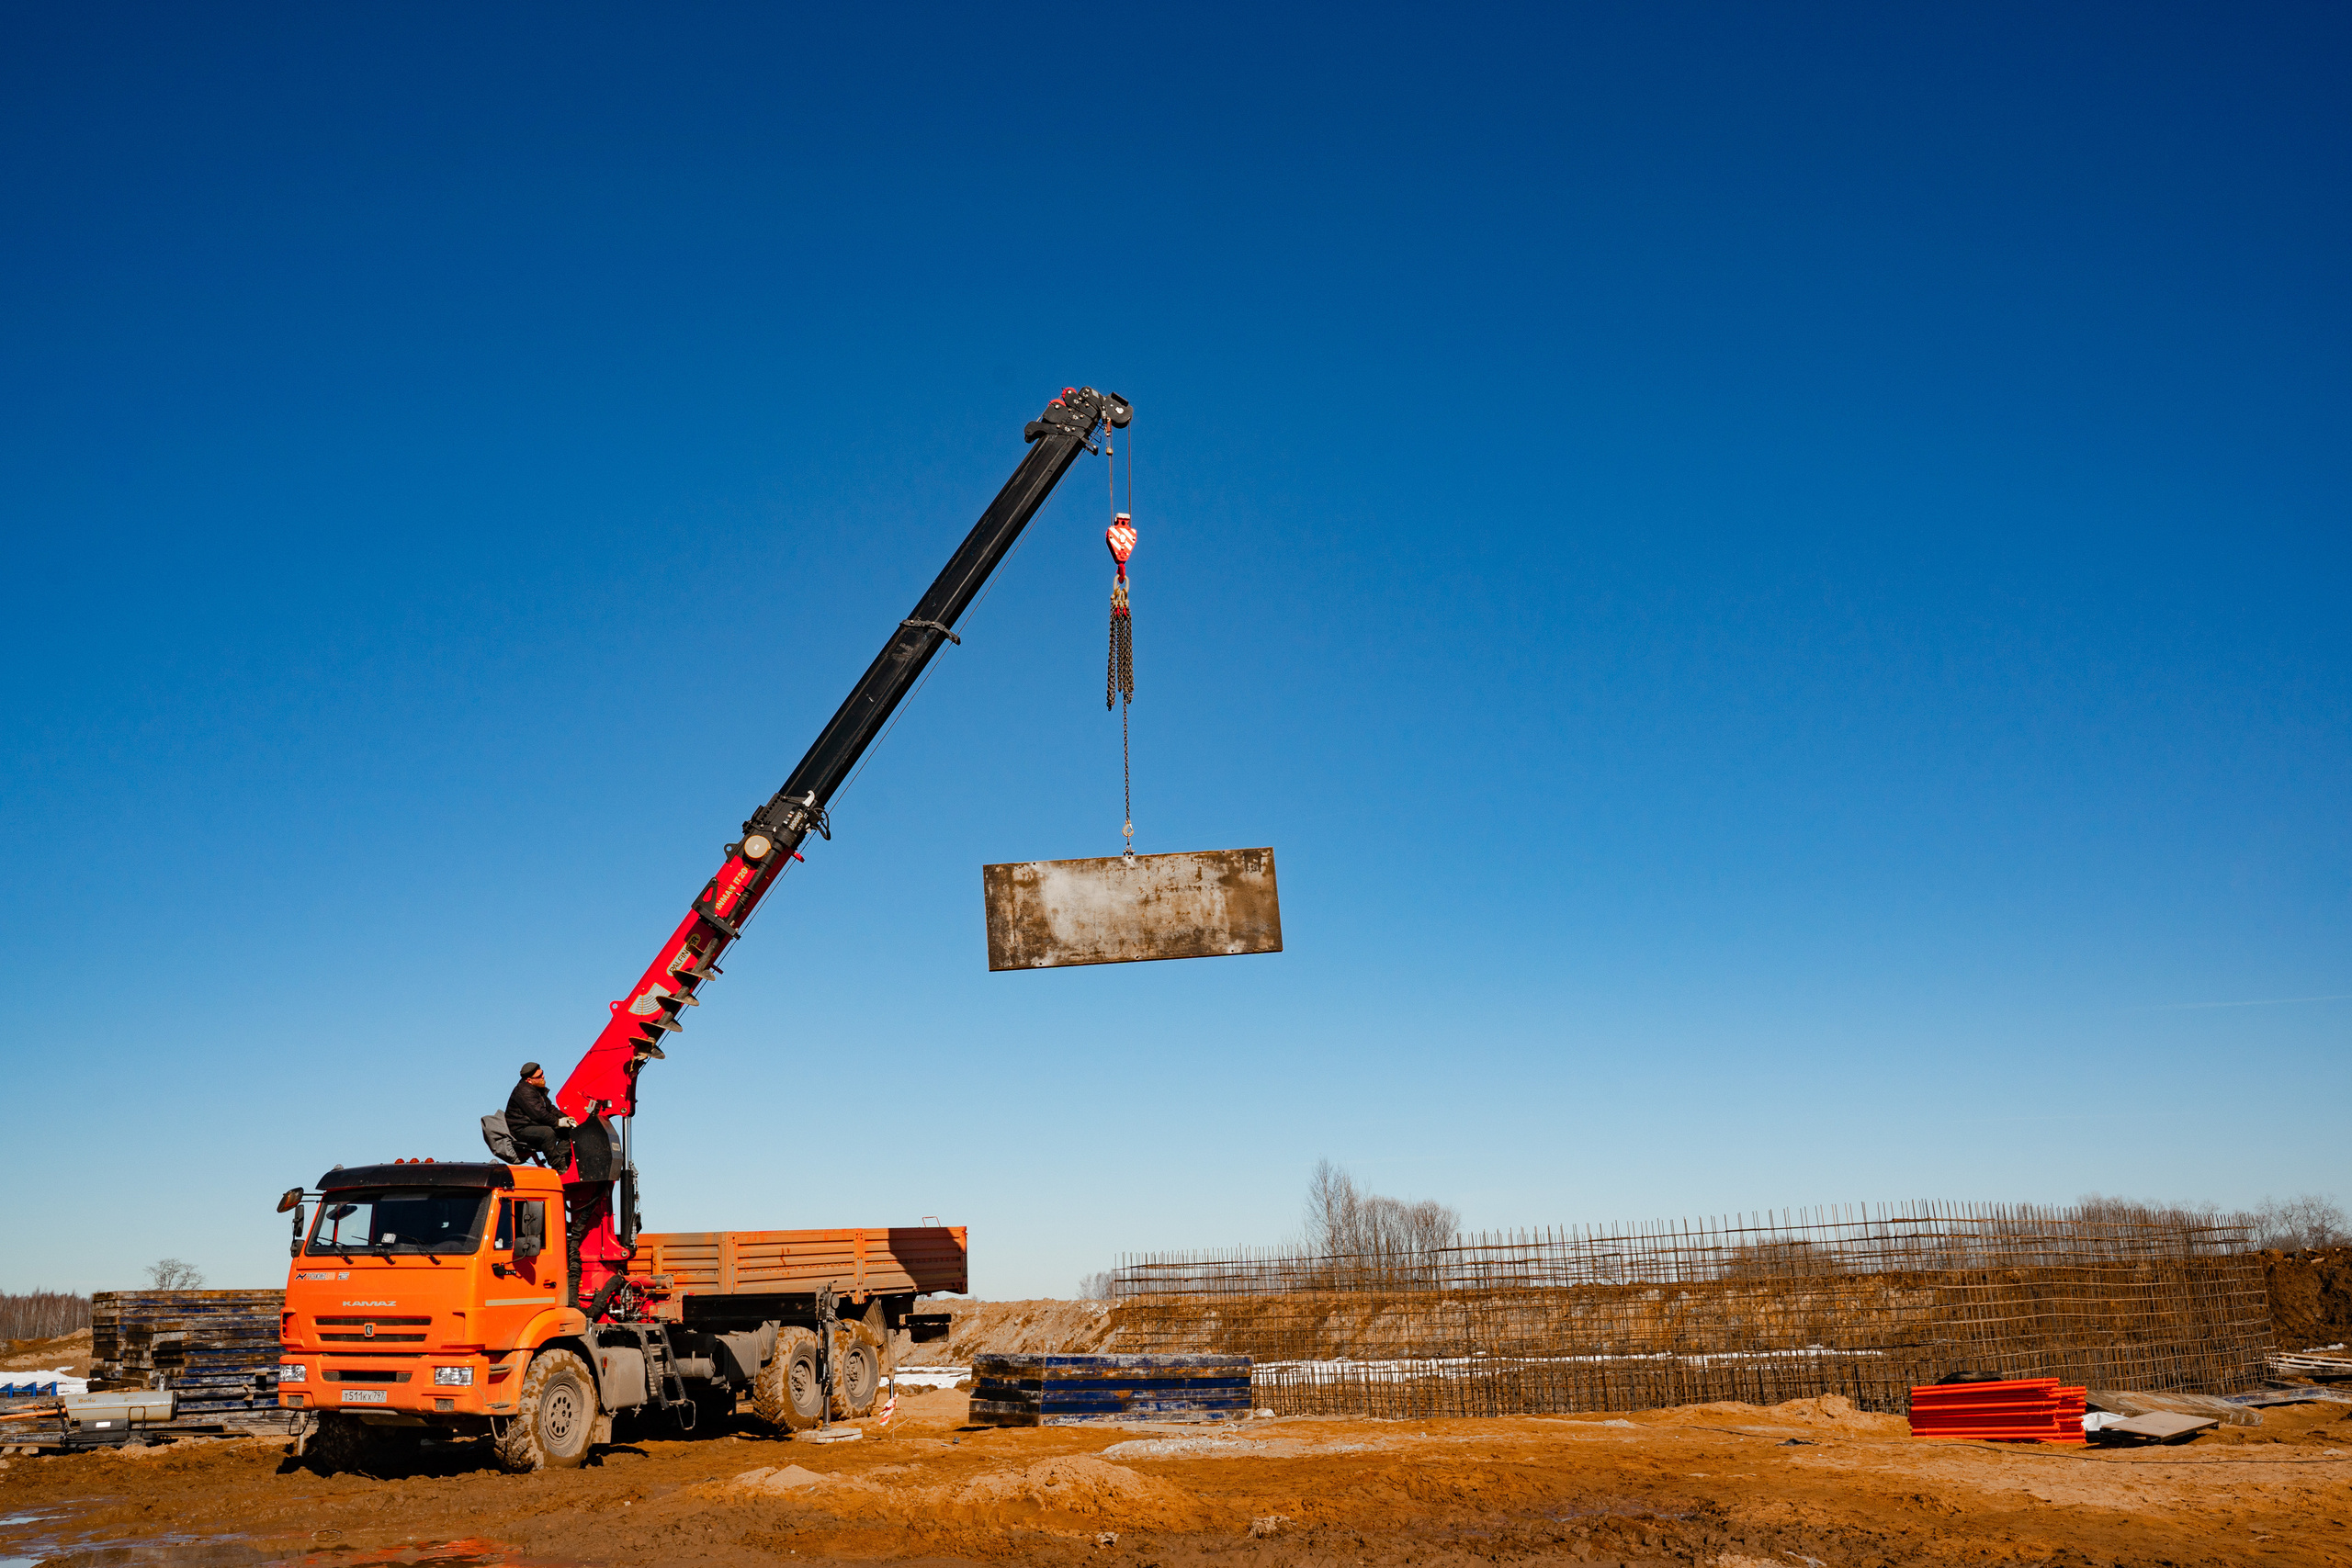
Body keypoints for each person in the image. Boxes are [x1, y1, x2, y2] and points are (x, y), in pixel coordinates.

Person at [505, 1062, 576, 1170]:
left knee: (567, 1131)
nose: (543, 1076)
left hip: (533, 1124)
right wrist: (558, 1122)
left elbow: (550, 1108)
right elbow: (539, 1114)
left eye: (542, 1073)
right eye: (539, 1076)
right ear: (529, 1080)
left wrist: (567, 1119)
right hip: (521, 1129)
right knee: (547, 1133)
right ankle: (558, 1167)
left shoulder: (537, 1089)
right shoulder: (524, 1092)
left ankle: (563, 1161)